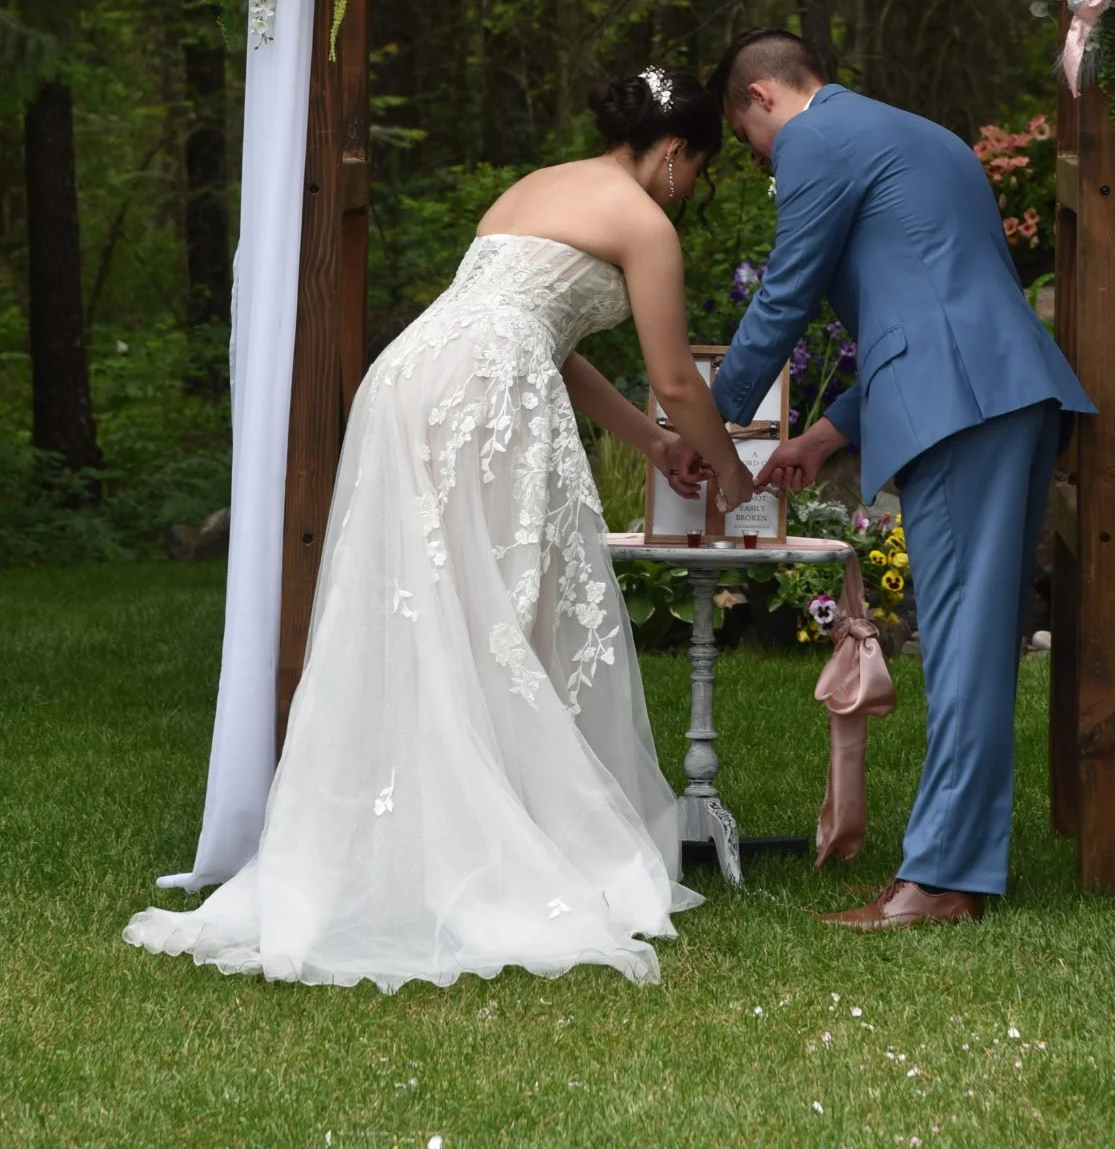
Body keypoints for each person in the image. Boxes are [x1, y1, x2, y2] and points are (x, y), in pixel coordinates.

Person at [125, 67, 754, 989]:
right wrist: (727, 469)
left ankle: (436, 820)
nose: (689, 188)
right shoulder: (645, 222)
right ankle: (491, 837)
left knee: (436, 600)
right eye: (695, 168)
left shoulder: (538, 185)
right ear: (672, 152)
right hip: (484, 387)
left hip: (412, 375)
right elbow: (676, 378)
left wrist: (650, 447)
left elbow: (552, 335)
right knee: (494, 604)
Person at [674, 29, 1093, 929]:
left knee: (960, 644)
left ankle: (942, 879)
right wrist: (823, 436)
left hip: (960, 402)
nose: (762, 161)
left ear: (758, 99)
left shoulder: (816, 138)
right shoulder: (919, 135)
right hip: (999, 387)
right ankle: (954, 869)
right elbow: (931, 303)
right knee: (975, 640)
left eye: (750, 146)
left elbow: (786, 292)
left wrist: (711, 427)